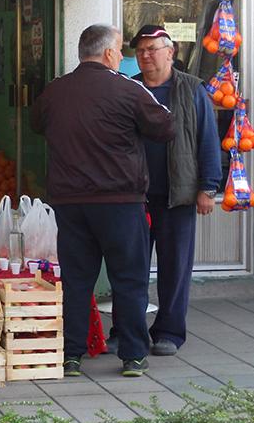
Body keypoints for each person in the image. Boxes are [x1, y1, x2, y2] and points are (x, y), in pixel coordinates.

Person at [30, 24, 174, 378]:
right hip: (120, 202)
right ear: (110, 54)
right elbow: (165, 127)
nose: (123, 57)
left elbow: (37, 123)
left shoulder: (54, 91)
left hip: (70, 203)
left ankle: (72, 355)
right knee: (129, 278)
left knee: (77, 280)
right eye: (120, 51)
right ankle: (133, 356)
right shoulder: (128, 89)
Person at [107, 25, 222, 357]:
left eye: (152, 49)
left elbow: (208, 140)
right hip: (134, 195)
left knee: (175, 266)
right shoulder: (130, 89)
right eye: (140, 50)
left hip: (178, 193)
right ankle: (126, 330)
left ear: (170, 52)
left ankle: (169, 331)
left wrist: (208, 188)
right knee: (129, 267)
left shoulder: (191, 89)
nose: (145, 55)